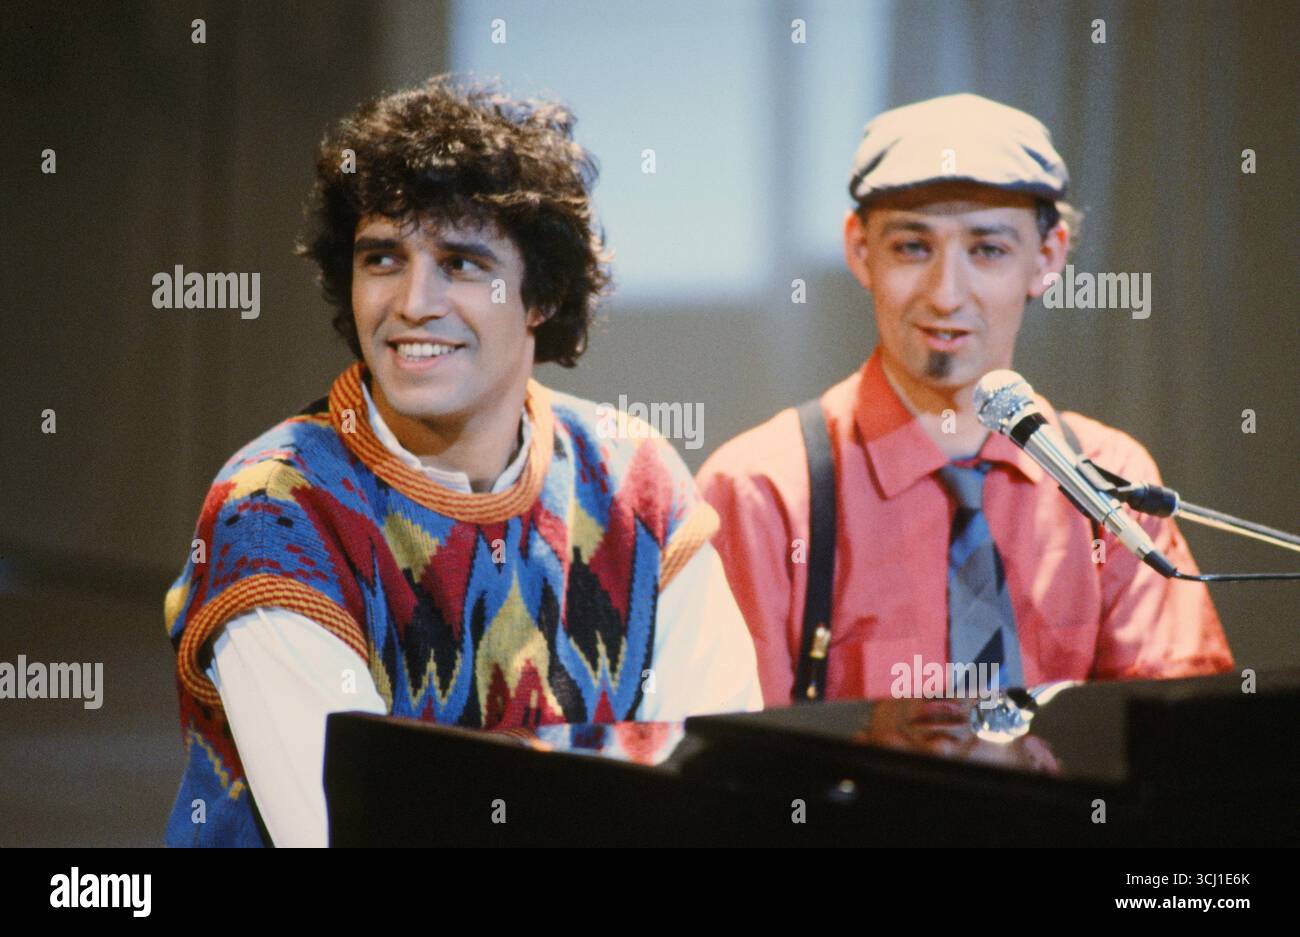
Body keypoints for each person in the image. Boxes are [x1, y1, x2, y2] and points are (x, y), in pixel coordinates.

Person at [163, 76, 761, 847]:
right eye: (383, 258)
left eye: (462, 261)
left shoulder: (630, 477)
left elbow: (715, 780)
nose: (414, 300)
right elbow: (345, 828)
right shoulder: (277, 508)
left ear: (540, 293)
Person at [696, 93, 1232, 708]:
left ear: (1048, 257)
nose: (946, 294)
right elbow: (736, 763)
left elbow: (1175, 743)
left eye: (988, 250)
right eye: (913, 247)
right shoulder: (763, 492)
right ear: (860, 249)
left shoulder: (1110, 483)